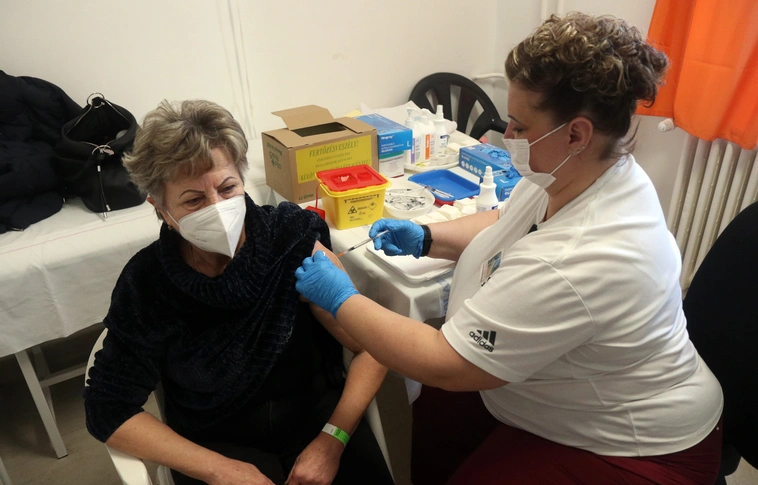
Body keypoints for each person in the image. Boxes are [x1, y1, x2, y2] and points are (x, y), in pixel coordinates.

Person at [294, 12, 724, 485]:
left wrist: (340, 297)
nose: (508, 137)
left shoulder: (582, 256)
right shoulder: (579, 173)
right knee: (437, 419)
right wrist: (429, 237)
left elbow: (445, 362)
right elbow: (507, 221)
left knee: (449, 405)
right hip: (543, 388)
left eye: (519, 126)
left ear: (576, 134)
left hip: (634, 443)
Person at [84, 100, 393, 485]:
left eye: (228, 187)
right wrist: (219, 470)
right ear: (161, 208)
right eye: (193, 200)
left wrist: (334, 439)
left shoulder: (291, 240)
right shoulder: (147, 284)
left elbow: (374, 346)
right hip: (213, 443)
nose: (218, 208)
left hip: (318, 422)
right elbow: (109, 408)